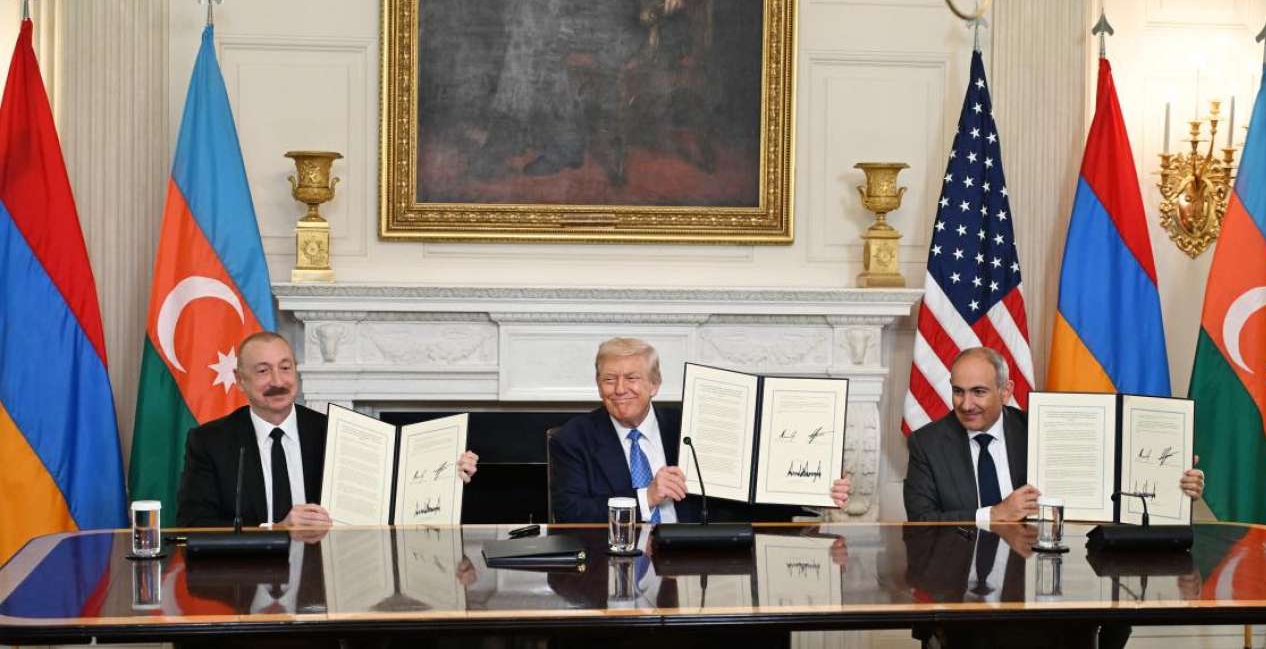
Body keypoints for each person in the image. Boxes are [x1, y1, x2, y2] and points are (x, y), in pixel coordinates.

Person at [176, 331, 479, 528]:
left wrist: (447, 473)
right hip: (244, 586)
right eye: (263, 371)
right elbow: (192, 525)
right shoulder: (210, 442)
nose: (278, 381)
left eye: (285, 367)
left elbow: (392, 497)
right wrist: (275, 530)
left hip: (325, 579)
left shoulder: (335, 432)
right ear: (240, 380)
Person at [549, 337, 851, 523]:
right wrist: (646, 497)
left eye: (632, 378)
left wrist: (814, 490)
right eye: (609, 379)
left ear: (655, 384)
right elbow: (569, 513)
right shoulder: (573, 438)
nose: (619, 389)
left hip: (694, 558)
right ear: (598, 384)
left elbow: (742, 496)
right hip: (616, 562)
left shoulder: (694, 424)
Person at [903, 346, 1205, 523]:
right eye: (958, 391)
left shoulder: (1040, 429)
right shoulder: (926, 444)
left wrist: (1172, 482)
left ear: (1006, 391)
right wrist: (994, 514)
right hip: (959, 574)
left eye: (978, 392)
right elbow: (921, 521)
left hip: (1036, 572)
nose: (966, 404)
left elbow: (1107, 483)